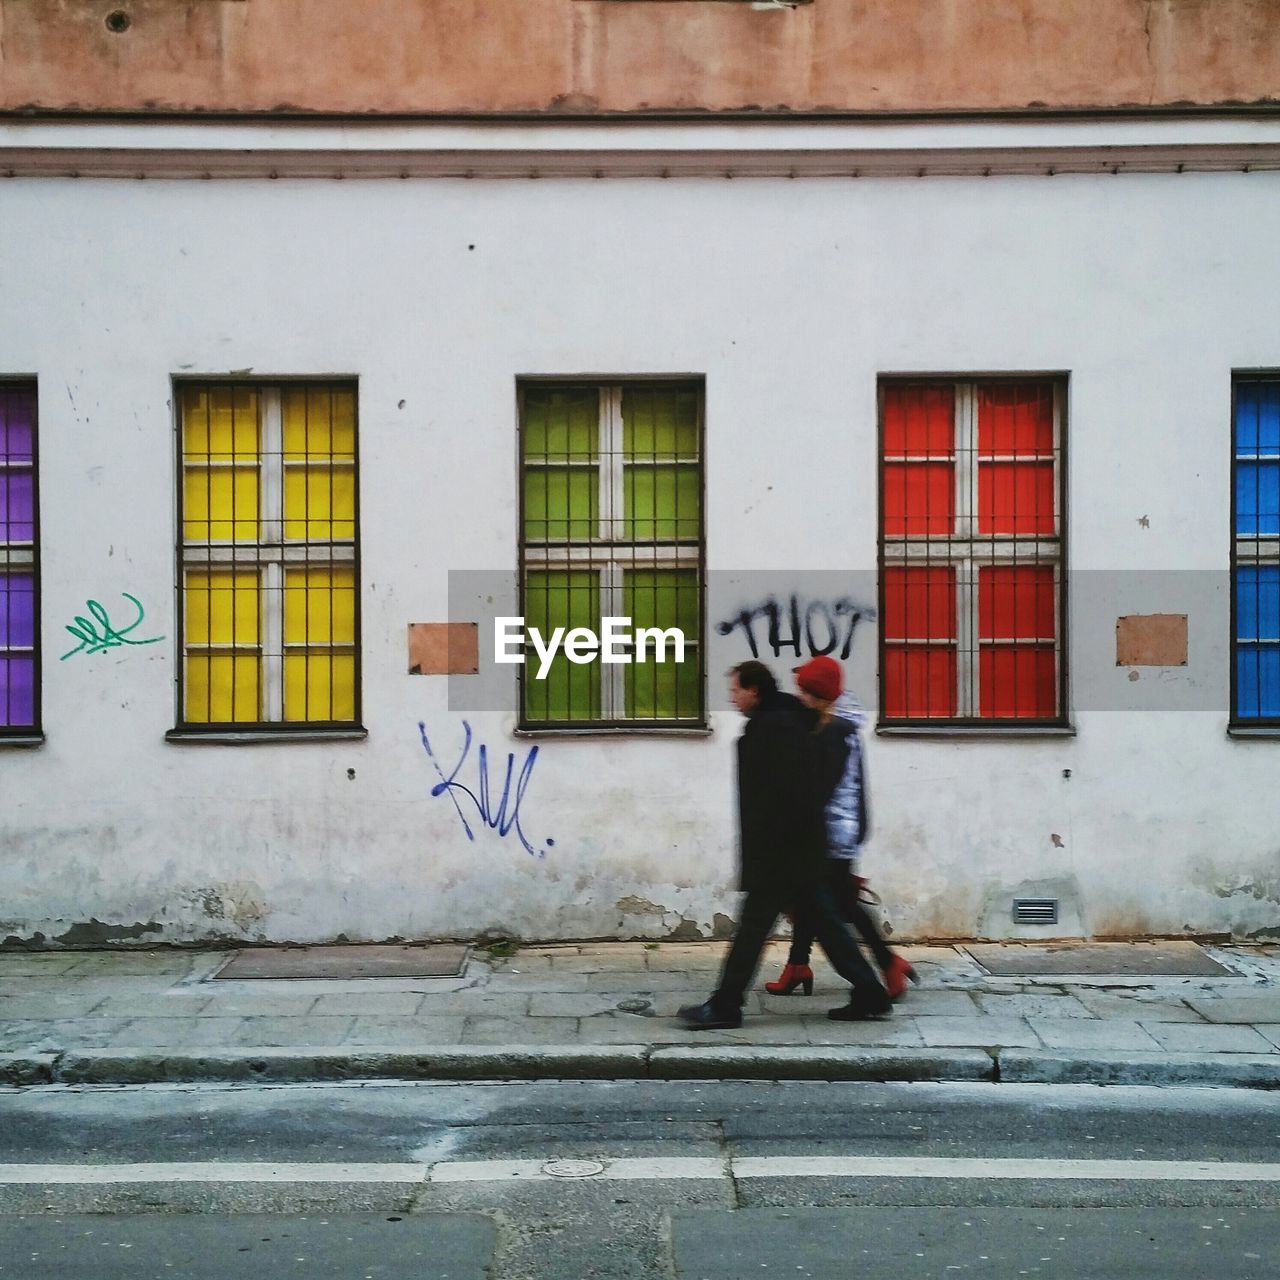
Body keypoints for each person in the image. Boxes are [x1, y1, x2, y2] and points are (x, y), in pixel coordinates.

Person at [677, 660, 892, 1030]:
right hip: (797, 851)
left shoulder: (775, 727)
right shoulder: (786, 722)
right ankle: (871, 992)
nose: (731, 698)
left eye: (735, 691)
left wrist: (776, 846)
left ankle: (726, 1005)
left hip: (781, 852)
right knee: (827, 926)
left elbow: (788, 794)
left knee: (753, 930)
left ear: (754, 690)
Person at [765, 655, 918, 1001]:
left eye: (804, 690)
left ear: (819, 694)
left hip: (834, 832)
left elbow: (831, 787)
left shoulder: (835, 727)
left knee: (835, 905)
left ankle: (881, 967)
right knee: (817, 900)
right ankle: (799, 965)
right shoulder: (826, 718)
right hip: (832, 830)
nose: (800, 697)